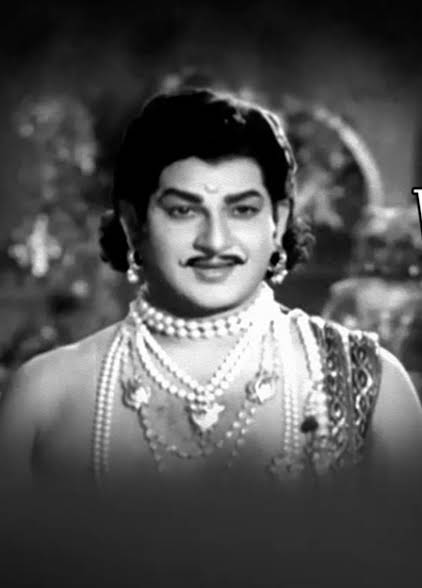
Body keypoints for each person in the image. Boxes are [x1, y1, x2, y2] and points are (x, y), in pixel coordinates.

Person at [0, 88, 421, 497]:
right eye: (183, 210)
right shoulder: (45, 398)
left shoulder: (369, 386)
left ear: (277, 221)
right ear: (133, 224)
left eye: (243, 210)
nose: (215, 241)